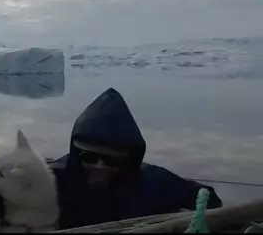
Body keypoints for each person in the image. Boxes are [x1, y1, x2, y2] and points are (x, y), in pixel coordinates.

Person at [48, 88, 223, 230]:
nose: (99, 166)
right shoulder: (52, 181)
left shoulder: (153, 183)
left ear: (127, 161)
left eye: (111, 160)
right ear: (76, 154)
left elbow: (207, 199)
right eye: (89, 157)